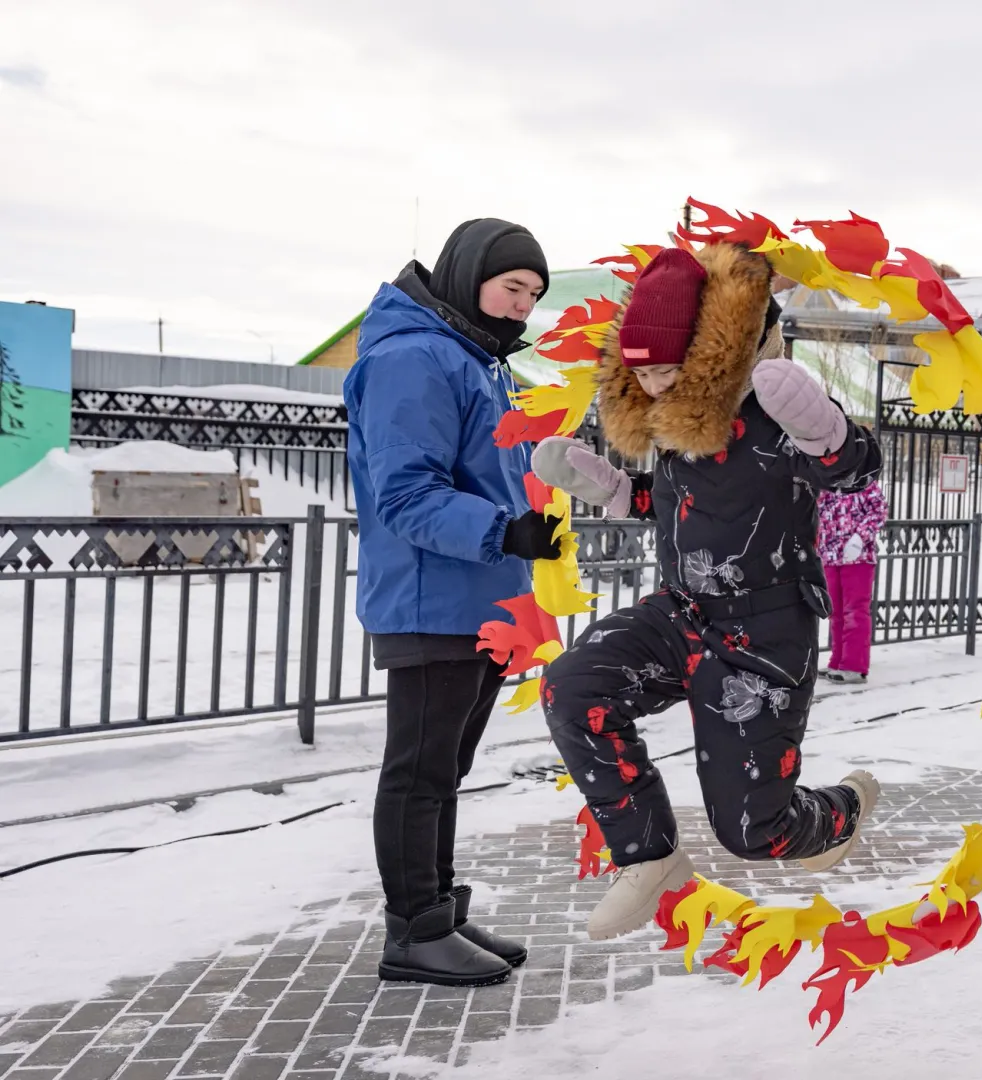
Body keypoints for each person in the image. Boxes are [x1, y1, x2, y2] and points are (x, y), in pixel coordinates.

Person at [527, 241, 884, 941]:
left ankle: (841, 810)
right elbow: (676, 506)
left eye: (666, 369)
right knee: (573, 685)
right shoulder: (673, 417)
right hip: (681, 614)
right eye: (643, 374)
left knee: (755, 833)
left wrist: (828, 432)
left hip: (764, 637)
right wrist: (607, 489)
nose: (656, 386)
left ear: (703, 353)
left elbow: (855, 472)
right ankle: (649, 855)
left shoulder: (773, 401)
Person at [344, 218, 559, 987]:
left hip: (483, 601)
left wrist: (533, 518)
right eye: (511, 289)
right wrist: (505, 530)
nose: (521, 309)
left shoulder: (477, 361)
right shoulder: (414, 358)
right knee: (420, 772)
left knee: (445, 771)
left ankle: (435, 911)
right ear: (469, 277)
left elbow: (493, 473)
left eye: (533, 295)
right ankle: (413, 932)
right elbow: (405, 494)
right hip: (430, 597)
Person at [817, 480, 888, 684]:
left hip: (858, 557)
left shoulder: (865, 483)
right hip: (830, 556)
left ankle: (854, 665)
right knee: (836, 612)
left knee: (855, 611)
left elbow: (878, 512)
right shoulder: (827, 486)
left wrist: (860, 538)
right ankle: (838, 660)